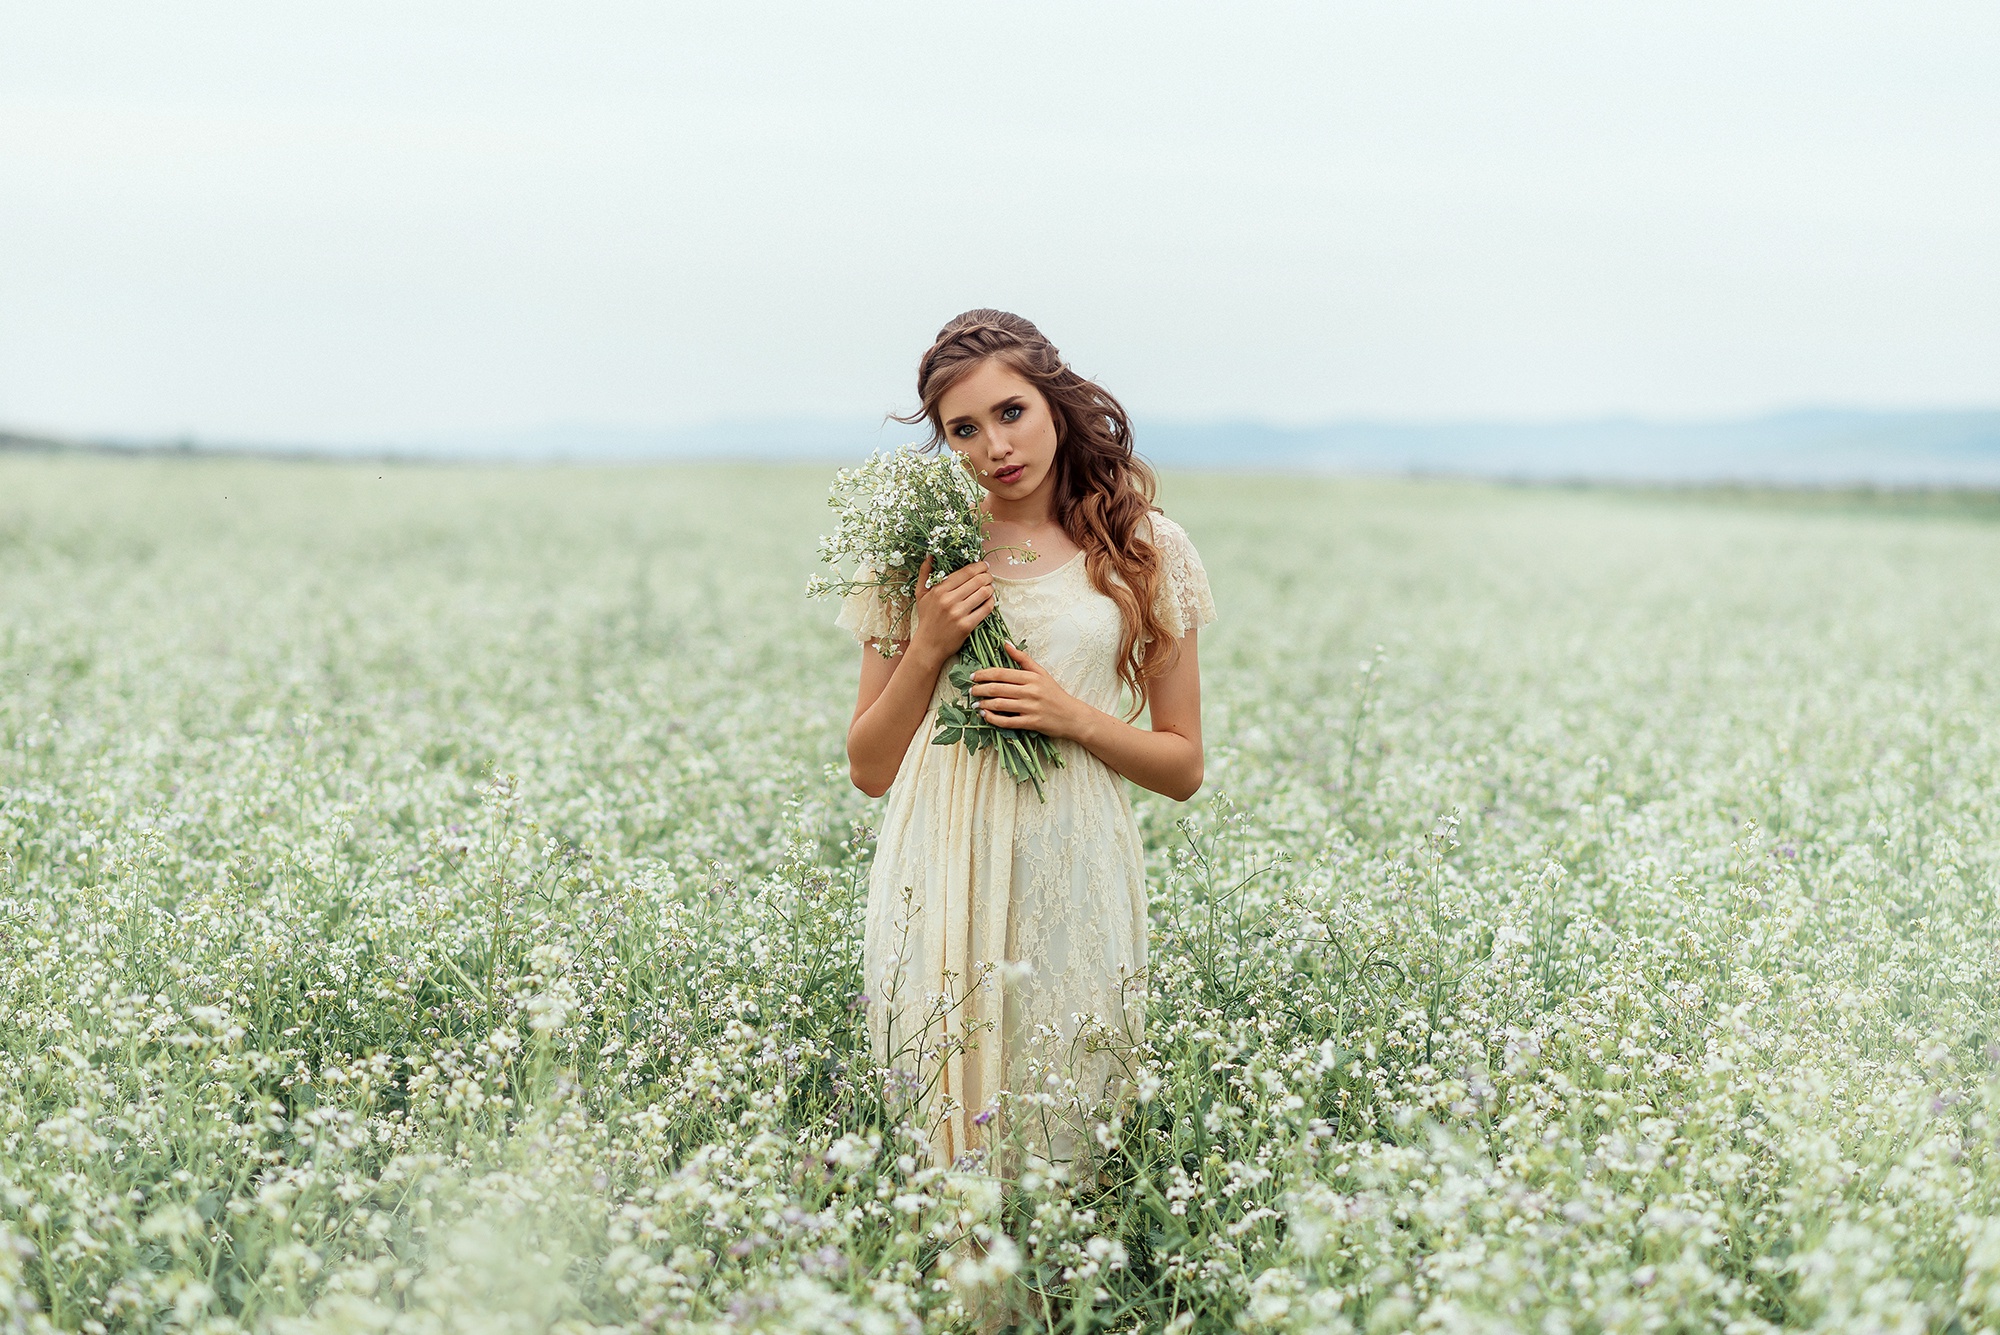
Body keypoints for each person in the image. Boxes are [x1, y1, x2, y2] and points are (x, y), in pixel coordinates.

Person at [837, 309, 1216, 1169]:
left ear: (1054, 401)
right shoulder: (918, 551)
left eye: (1011, 412)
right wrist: (929, 644)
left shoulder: (1147, 548)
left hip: (1072, 850)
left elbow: (1184, 765)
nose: (994, 446)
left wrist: (1071, 714)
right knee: (941, 1123)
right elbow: (867, 766)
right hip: (941, 850)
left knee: (1064, 1119)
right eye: (962, 429)